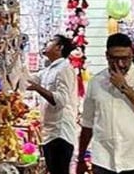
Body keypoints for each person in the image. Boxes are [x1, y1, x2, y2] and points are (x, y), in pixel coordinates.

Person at [76, 34, 134, 174]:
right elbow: (87, 123)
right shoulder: (96, 82)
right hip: (103, 160)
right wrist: (80, 158)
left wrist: (125, 88)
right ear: (107, 56)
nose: (121, 64)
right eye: (115, 58)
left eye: (125, 58)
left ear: (131, 55)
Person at [27, 35, 80, 174]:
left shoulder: (64, 69)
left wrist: (38, 88)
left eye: (51, 42)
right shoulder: (49, 70)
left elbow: (61, 101)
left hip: (60, 134)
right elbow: (26, 80)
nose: (46, 43)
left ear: (59, 48)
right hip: (50, 133)